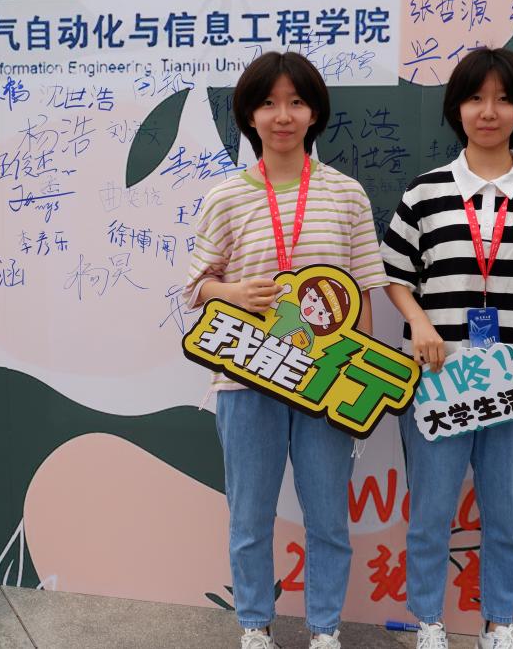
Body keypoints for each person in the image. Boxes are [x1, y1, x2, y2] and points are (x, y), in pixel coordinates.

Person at [379, 48, 513, 649]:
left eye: (503, 99)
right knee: (431, 512)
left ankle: (501, 624)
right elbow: (394, 274)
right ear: (458, 109)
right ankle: (429, 623)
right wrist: (420, 325)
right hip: (438, 378)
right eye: (475, 98)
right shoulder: (425, 192)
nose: (488, 111)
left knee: (504, 514)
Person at [184, 51, 388, 649]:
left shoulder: (346, 194)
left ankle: (324, 630)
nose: (283, 116)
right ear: (248, 116)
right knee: (250, 515)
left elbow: (363, 291)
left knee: (328, 516)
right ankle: (254, 626)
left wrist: (357, 378)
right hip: (247, 375)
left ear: (314, 112)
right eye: (269, 103)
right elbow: (195, 287)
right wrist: (232, 291)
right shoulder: (225, 196)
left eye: (296, 102)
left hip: (326, 382)